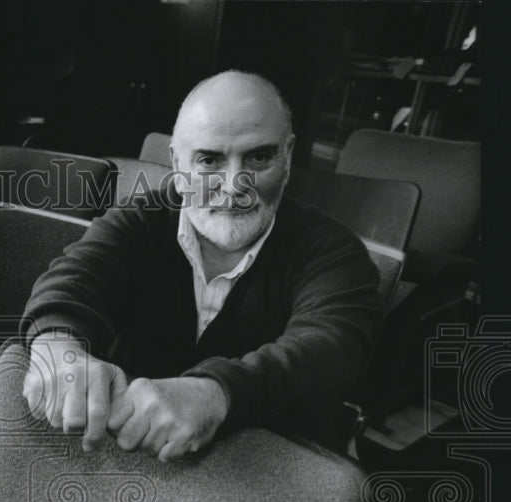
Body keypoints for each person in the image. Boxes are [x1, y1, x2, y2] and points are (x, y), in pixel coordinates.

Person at [21, 70, 381, 461]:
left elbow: (330, 349)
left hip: (256, 479)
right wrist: (58, 347)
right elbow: (72, 281)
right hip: (126, 467)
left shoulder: (333, 250)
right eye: (209, 160)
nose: (234, 186)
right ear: (176, 163)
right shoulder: (139, 220)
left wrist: (216, 393)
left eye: (259, 157)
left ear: (288, 156)